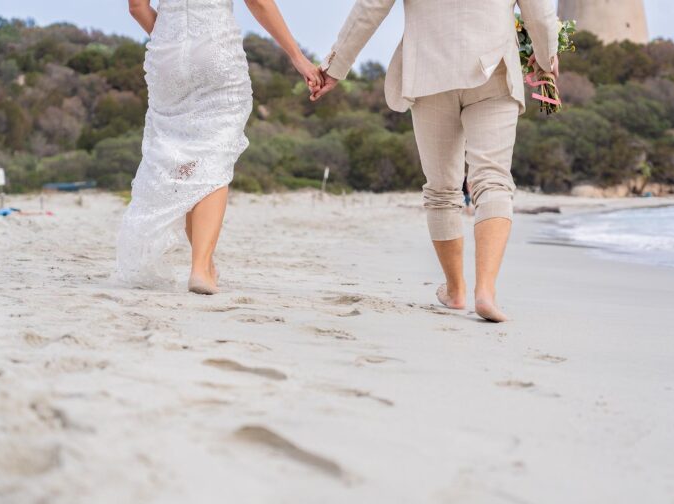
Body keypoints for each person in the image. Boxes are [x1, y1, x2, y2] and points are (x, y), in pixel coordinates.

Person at [312, 0, 559, 322]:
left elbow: (370, 8)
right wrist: (545, 62)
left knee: (442, 188)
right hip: (493, 72)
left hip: (429, 72)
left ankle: (455, 290)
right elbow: (539, 16)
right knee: (493, 180)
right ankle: (485, 292)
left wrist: (335, 67)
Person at [118, 0, 322, 294]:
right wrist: (297, 57)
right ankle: (200, 267)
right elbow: (259, 2)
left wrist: (168, 36)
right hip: (216, 48)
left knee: (182, 160)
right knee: (214, 156)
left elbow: (137, 6)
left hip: (166, 54)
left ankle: (206, 263)